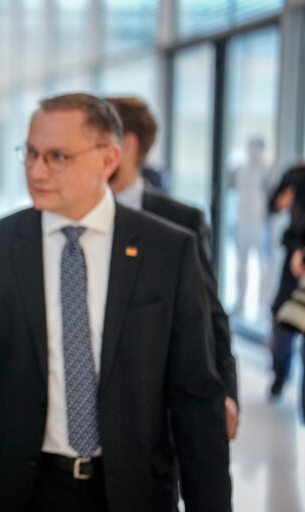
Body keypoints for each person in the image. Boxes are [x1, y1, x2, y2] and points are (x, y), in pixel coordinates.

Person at [0, 93, 231, 512]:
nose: (37, 170)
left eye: (58, 156)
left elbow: (196, 398)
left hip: (135, 490)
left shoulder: (168, 251)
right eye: (32, 153)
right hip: (26, 489)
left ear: (108, 159)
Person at [105, 96, 239, 440]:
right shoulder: (63, 218)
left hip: (151, 415)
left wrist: (226, 392)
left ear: (127, 145)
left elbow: (209, 312)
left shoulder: (181, 221)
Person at [267, 162, 305, 411]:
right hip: (293, 259)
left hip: (298, 256)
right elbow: (274, 204)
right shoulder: (295, 173)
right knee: (282, 318)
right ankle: (280, 375)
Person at [230, 136, 272, 315]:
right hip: (243, 223)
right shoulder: (242, 171)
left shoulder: (268, 172)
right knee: (241, 265)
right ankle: (240, 302)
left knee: (263, 265)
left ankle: (264, 305)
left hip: (260, 225)